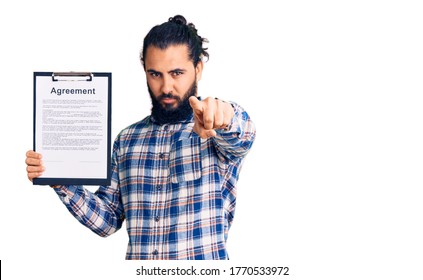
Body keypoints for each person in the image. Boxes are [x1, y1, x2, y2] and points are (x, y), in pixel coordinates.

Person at [25, 15, 256, 260]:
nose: (166, 87)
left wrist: (224, 115)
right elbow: (108, 220)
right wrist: (59, 178)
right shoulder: (126, 141)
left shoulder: (216, 132)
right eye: (155, 74)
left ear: (198, 69)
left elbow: (243, 134)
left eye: (177, 73)